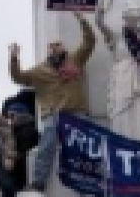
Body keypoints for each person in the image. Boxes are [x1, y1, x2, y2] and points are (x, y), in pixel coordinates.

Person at [9, 11, 96, 195]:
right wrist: (14, 58)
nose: (54, 48)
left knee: (84, 147)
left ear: (63, 48)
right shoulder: (39, 71)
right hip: (54, 115)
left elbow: (90, 42)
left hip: (77, 112)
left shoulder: (76, 59)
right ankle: (38, 184)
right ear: (47, 51)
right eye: (51, 46)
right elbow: (18, 77)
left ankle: (89, 183)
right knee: (46, 145)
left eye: (57, 45)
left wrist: (82, 20)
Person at [95, 0, 140, 145]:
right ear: (125, 19)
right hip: (123, 80)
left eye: (136, 18)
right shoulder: (117, 36)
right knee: (123, 116)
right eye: (130, 18)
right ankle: (123, 146)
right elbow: (100, 25)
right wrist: (100, 12)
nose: (133, 21)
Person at [2, 101, 40, 191]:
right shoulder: (14, 130)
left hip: (24, 176)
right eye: (9, 116)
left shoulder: (28, 131)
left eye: (12, 116)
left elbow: (24, 153)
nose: (10, 119)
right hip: (16, 176)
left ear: (22, 115)